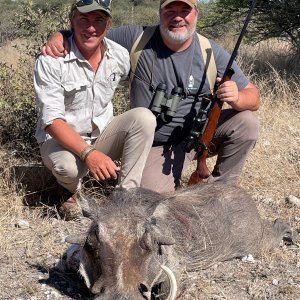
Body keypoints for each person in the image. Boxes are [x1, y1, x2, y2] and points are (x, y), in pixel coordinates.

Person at [42, 0, 260, 193]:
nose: (177, 17)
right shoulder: (137, 37)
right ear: (159, 13)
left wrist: (237, 97)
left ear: (196, 13)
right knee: (148, 198)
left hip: (198, 137)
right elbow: (92, 32)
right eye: (169, 10)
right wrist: (61, 36)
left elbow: (254, 97)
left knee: (247, 122)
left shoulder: (210, 51)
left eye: (185, 10)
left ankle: (222, 192)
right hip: (154, 145)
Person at [34, 0, 156, 217]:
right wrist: (89, 153)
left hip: (101, 135)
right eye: (84, 19)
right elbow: (51, 122)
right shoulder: (51, 60)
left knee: (144, 118)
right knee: (67, 168)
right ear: (72, 21)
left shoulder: (119, 55)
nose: (91, 28)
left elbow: (141, 80)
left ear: (108, 24)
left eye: (99, 20)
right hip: (61, 140)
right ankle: (71, 190)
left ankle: (126, 198)